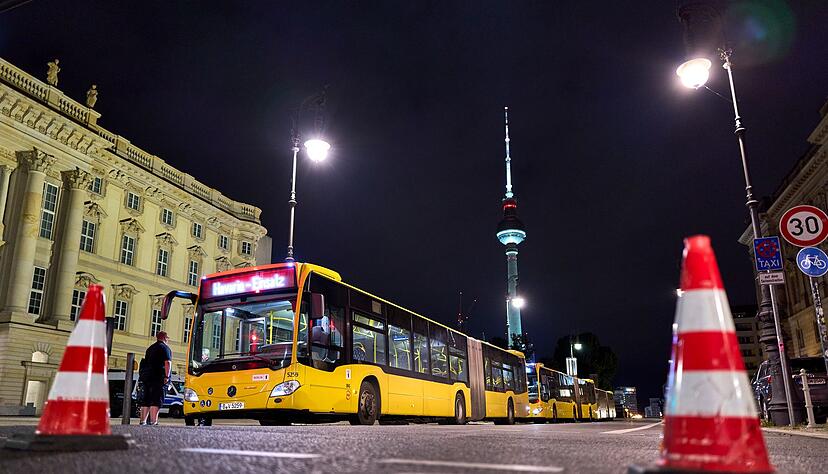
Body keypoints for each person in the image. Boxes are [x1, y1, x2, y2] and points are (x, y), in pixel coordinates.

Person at [138, 331, 172, 425]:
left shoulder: (150, 348)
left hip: (147, 377)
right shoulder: (165, 348)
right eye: (167, 338)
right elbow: (167, 363)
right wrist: (167, 376)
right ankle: (153, 421)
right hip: (158, 378)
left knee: (146, 400)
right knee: (156, 400)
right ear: (165, 338)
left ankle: (143, 421)